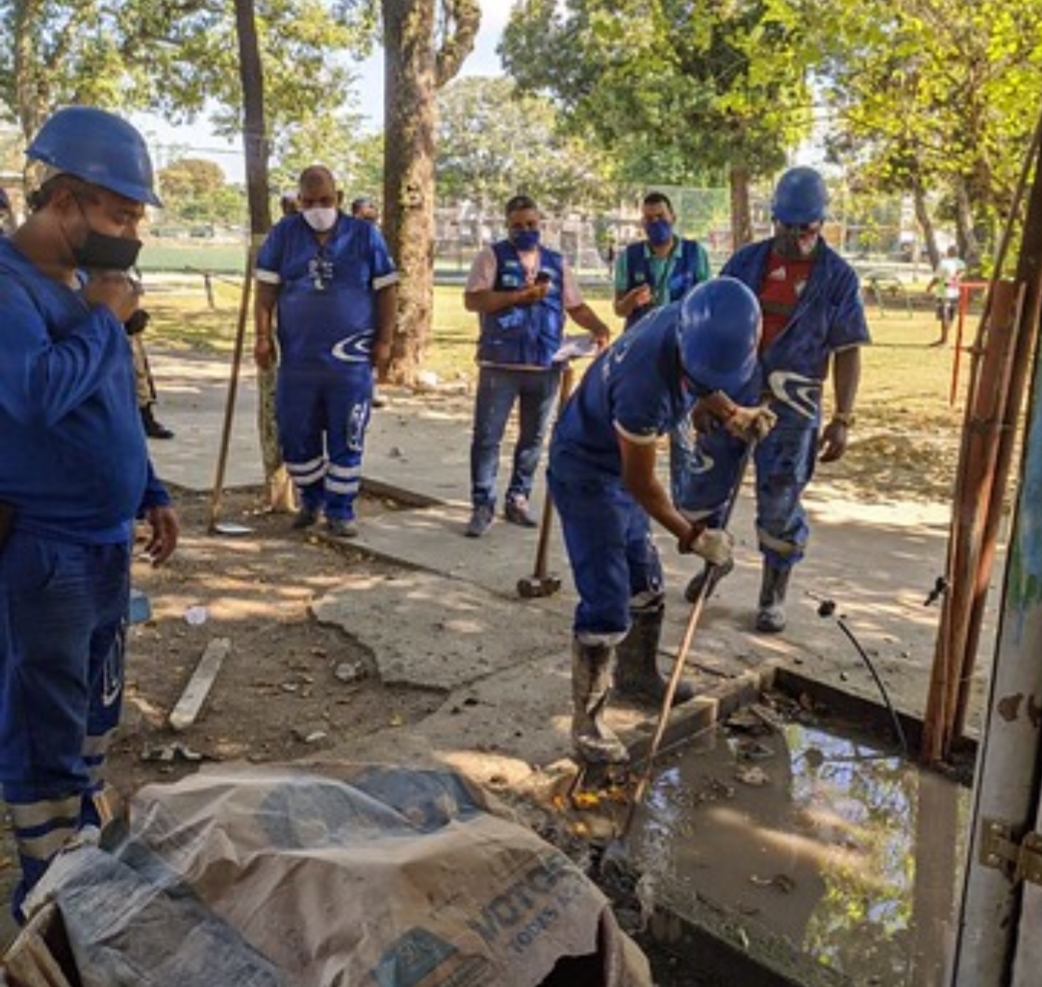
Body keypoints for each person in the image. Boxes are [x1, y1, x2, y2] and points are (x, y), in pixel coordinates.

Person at [0, 105, 178, 920]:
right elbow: (35, 395)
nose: (132, 233)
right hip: (47, 551)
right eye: (121, 214)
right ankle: (47, 899)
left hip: (106, 543)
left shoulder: (78, 283)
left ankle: (82, 846)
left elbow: (110, 403)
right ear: (66, 200)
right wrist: (106, 316)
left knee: (93, 708)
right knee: (45, 716)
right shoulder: (10, 288)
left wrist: (149, 489)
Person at [548, 278, 773, 763]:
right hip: (587, 470)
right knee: (608, 599)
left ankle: (639, 678)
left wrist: (732, 413)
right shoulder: (644, 388)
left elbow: (700, 378)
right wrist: (694, 536)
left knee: (645, 582)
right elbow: (641, 483)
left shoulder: (691, 321)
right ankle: (588, 724)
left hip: (618, 465)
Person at [678, 166, 870, 634]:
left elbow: (848, 351)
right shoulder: (745, 264)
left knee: (780, 503)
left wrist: (843, 418)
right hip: (730, 397)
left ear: (821, 223)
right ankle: (713, 563)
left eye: (808, 229)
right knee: (701, 493)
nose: (799, 238)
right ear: (774, 220)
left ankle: (772, 593)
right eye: (789, 227)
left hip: (793, 411)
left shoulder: (838, 279)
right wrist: (704, 396)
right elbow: (709, 327)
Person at [254, 165, 399, 538]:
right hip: (298, 361)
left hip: (350, 363)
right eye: (310, 202)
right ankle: (312, 498)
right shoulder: (285, 234)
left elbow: (386, 291)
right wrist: (262, 336)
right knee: (294, 436)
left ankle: (340, 510)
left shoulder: (365, 236)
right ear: (299, 201)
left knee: (347, 436)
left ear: (339, 198)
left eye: (326, 200)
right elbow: (266, 290)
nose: (318, 208)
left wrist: (385, 341)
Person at [463, 193, 612, 538]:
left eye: (531, 224)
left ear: (540, 223)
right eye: (517, 226)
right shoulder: (491, 257)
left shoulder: (556, 263)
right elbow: (473, 299)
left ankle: (518, 497)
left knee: (533, 438)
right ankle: (482, 503)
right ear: (507, 226)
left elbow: (575, 306)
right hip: (500, 363)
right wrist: (518, 297)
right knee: (487, 436)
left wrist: (598, 326)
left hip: (545, 364)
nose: (525, 230)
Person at [613, 191, 711, 331]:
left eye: (661, 216)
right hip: (641, 337)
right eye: (649, 218)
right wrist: (631, 300)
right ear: (643, 223)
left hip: (682, 335)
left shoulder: (695, 253)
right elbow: (619, 309)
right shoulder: (629, 256)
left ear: (673, 218)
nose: (655, 222)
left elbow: (707, 301)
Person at [126, 310, 175, 439]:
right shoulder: (125, 340)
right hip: (132, 378)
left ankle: (147, 422)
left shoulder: (136, 339)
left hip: (141, 377)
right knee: (138, 396)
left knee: (144, 395)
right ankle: (145, 424)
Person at [925, 244, 965, 347]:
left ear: (948, 252)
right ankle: (945, 338)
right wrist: (956, 279)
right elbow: (961, 274)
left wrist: (929, 286)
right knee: (950, 315)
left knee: (944, 315)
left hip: (944, 291)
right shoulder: (961, 263)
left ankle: (944, 339)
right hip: (955, 291)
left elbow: (937, 278)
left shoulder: (943, 263)